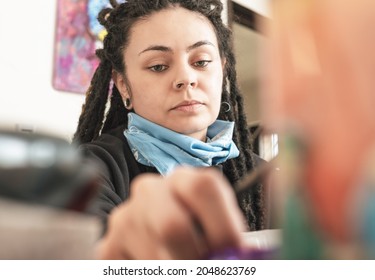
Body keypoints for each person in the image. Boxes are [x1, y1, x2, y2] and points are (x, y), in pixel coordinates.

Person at [73, 0, 266, 259]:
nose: (186, 78)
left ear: (222, 70)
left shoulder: (265, 175)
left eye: (201, 62)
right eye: (158, 66)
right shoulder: (89, 170)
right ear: (123, 86)